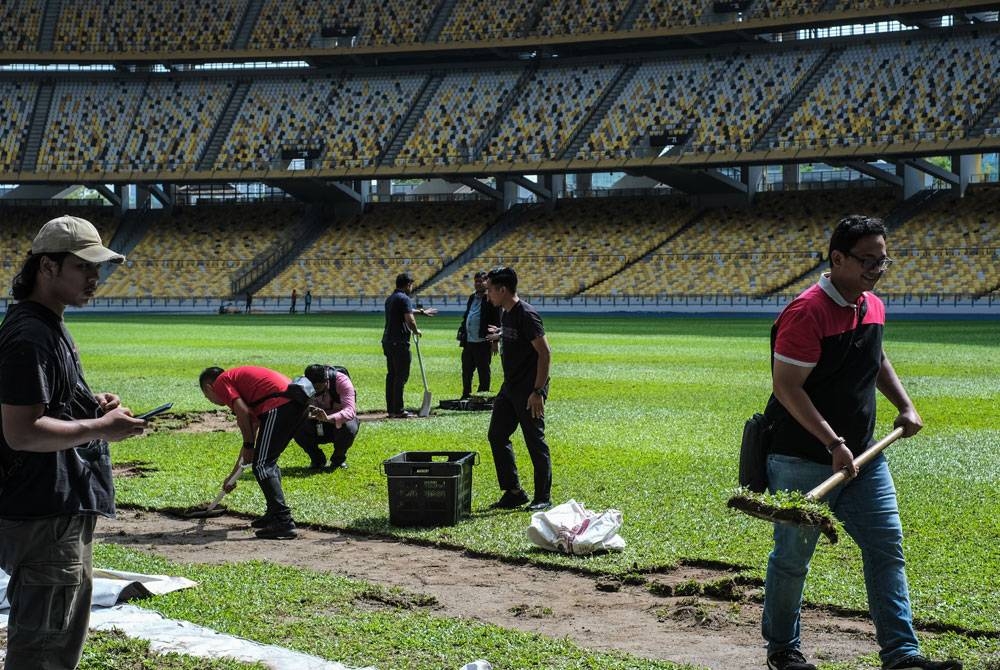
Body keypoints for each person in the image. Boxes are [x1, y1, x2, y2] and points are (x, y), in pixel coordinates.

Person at [760, 215, 961, 670]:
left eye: (883, 260)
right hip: (802, 457)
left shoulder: (872, 305)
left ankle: (901, 655)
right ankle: (783, 651)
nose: (877, 269)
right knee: (793, 558)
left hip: (865, 456)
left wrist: (905, 405)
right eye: (868, 260)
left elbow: (876, 357)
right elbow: (787, 388)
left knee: (886, 547)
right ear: (838, 258)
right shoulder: (807, 312)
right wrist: (833, 443)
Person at [0, 215, 147, 669]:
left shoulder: (47, 325)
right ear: (47, 266)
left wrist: (91, 404)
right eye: (83, 266)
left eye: (96, 267)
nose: (94, 277)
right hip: (44, 515)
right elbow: (22, 431)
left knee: (57, 641)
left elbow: (49, 403)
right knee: (44, 651)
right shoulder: (31, 336)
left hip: (54, 510)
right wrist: (100, 428)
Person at [199, 365, 305, 540]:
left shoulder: (221, 382)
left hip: (281, 404)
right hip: (295, 404)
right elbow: (252, 426)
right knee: (267, 462)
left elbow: (242, 413)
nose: (210, 400)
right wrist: (232, 476)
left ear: (209, 387)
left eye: (206, 396)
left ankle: (283, 521)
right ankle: (273, 514)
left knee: (263, 465)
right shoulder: (248, 391)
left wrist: (249, 445)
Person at [483, 266, 552, 512]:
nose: (487, 294)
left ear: (503, 290)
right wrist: (501, 335)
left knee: (534, 441)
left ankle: (543, 497)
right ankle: (514, 492)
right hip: (509, 387)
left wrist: (538, 392)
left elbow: (545, 353)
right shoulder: (506, 313)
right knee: (497, 435)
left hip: (528, 390)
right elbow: (519, 337)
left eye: (490, 290)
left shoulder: (527, 314)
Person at [381, 272, 436, 418]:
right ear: (408, 285)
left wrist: (422, 312)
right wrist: (416, 330)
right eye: (411, 285)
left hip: (388, 341)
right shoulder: (404, 298)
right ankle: (398, 410)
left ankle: (391, 409)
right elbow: (409, 318)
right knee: (401, 376)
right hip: (399, 342)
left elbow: (405, 311)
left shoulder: (390, 298)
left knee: (392, 376)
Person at [294, 364, 359, 470]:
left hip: (337, 423)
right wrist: (307, 413)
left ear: (326, 381)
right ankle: (317, 459)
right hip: (314, 421)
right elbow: (294, 409)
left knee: (350, 427)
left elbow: (350, 411)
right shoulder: (302, 384)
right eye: (311, 388)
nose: (315, 391)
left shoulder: (342, 381)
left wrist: (328, 418)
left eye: (318, 387)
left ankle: (338, 460)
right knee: (295, 425)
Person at [457, 271, 500, 399]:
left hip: (483, 342)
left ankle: (482, 397)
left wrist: (495, 342)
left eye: (481, 281)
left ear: (487, 282)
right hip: (469, 342)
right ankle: (466, 395)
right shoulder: (472, 297)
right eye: (476, 281)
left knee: (483, 371)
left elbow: (496, 321)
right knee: (466, 371)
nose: (478, 284)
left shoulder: (491, 298)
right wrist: (462, 330)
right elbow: (467, 315)